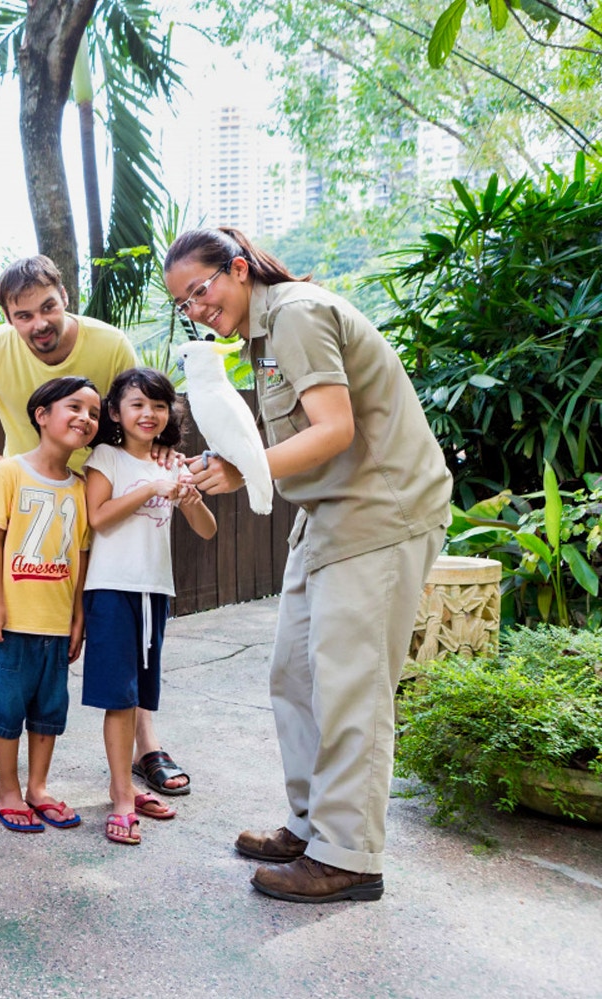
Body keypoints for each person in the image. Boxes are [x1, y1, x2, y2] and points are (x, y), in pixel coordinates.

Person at [164, 226, 450, 902]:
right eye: (185, 305)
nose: (198, 310)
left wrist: (243, 468)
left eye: (201, 291)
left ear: (238, 270)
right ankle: (311, 825)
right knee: (293, 673)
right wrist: (228, 460)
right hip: (326, 515)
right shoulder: (260, 337)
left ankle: (348, 856)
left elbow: (334, 428)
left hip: (380, 511)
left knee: (350, 685)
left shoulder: (294, 315)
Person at [0, 255, 194, 796]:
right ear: (9, 317)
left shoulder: (108, 344)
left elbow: (145, 411)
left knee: (125, 617)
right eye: (23, 314)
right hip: (23, 502)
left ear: (65, 296)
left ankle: (144, 746)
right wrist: (20, 476)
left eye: (48, 306)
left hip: (101, 501)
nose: (39, 322)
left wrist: (156, 471)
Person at [82, 368, 218, 845]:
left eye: (159, 405)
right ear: (116, 412)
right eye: (137, 404)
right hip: (112, 589)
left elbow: (206, 530)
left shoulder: (171, 463)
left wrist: (188, 495)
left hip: (154, 592)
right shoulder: (106, 457)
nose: (149, 413)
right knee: (118, 700)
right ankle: (121, 796)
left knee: (139, 694)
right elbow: (97, 518)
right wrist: (149, 489)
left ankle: (125, 786)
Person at [0, 377, 99, 833]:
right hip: (12, 620)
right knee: (6, 710)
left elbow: (81, 552)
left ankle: (37, 787)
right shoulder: (8, 472)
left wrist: (78, 617)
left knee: (49, 710)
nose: (85, 418)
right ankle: (6, 789)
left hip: (57, 622)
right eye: (74, 407)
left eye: (94, 413)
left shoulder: (83, 487)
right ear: (42, 415)